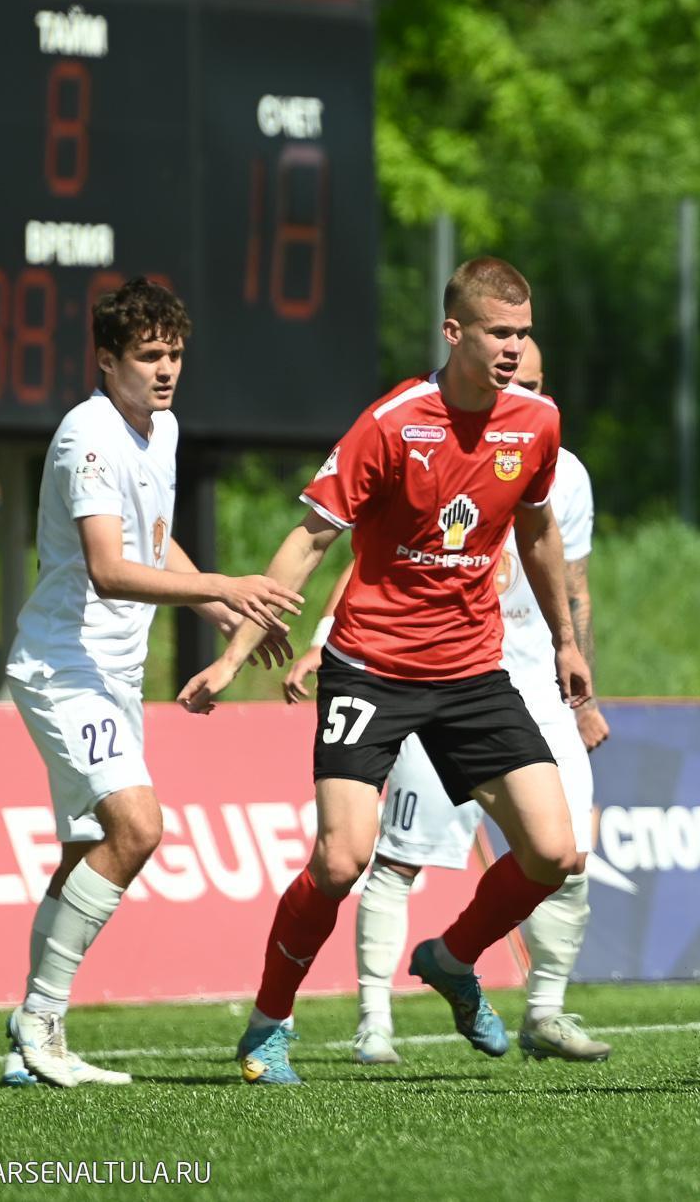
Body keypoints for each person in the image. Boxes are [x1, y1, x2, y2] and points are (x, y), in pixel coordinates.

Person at [179, 256, 592, 1087]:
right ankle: (268, 1023)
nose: (513, 348)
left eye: (522, 333)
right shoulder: (393, 423)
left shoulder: (535, 423)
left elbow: (539, 532)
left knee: (555, 852)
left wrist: (565, 639)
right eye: (498, 333)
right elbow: (310, 539)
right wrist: (232, 654)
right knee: (341, 861)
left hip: (472, 672)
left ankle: (452, 957)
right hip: (370, 668)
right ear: (453, 332)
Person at [2, 277, 301, 1087]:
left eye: (174, 353)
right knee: (138, 828)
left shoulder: (160, 428)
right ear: (107, 360)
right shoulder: (89, 437)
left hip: (111, 673)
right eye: (147, 355)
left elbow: (152, 541)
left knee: (83, 854)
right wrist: (225, 583)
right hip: (65, 665)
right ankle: (40, 1021)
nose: (165, 369)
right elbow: (107, 568)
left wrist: (223, 610)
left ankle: (28, 1043)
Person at [281, 337, 612, 1065]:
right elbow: (379, 556)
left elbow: (574, 580)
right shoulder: (419, 431)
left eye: (534, 383)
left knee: (566, 854)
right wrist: (323, 636)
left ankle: (541, 1009)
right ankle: (374, 1019)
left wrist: (581, 675)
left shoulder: (562, 466)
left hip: (534, 685)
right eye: (512, 375)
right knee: (393, 855)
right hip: (436, 671)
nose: (520, 393)